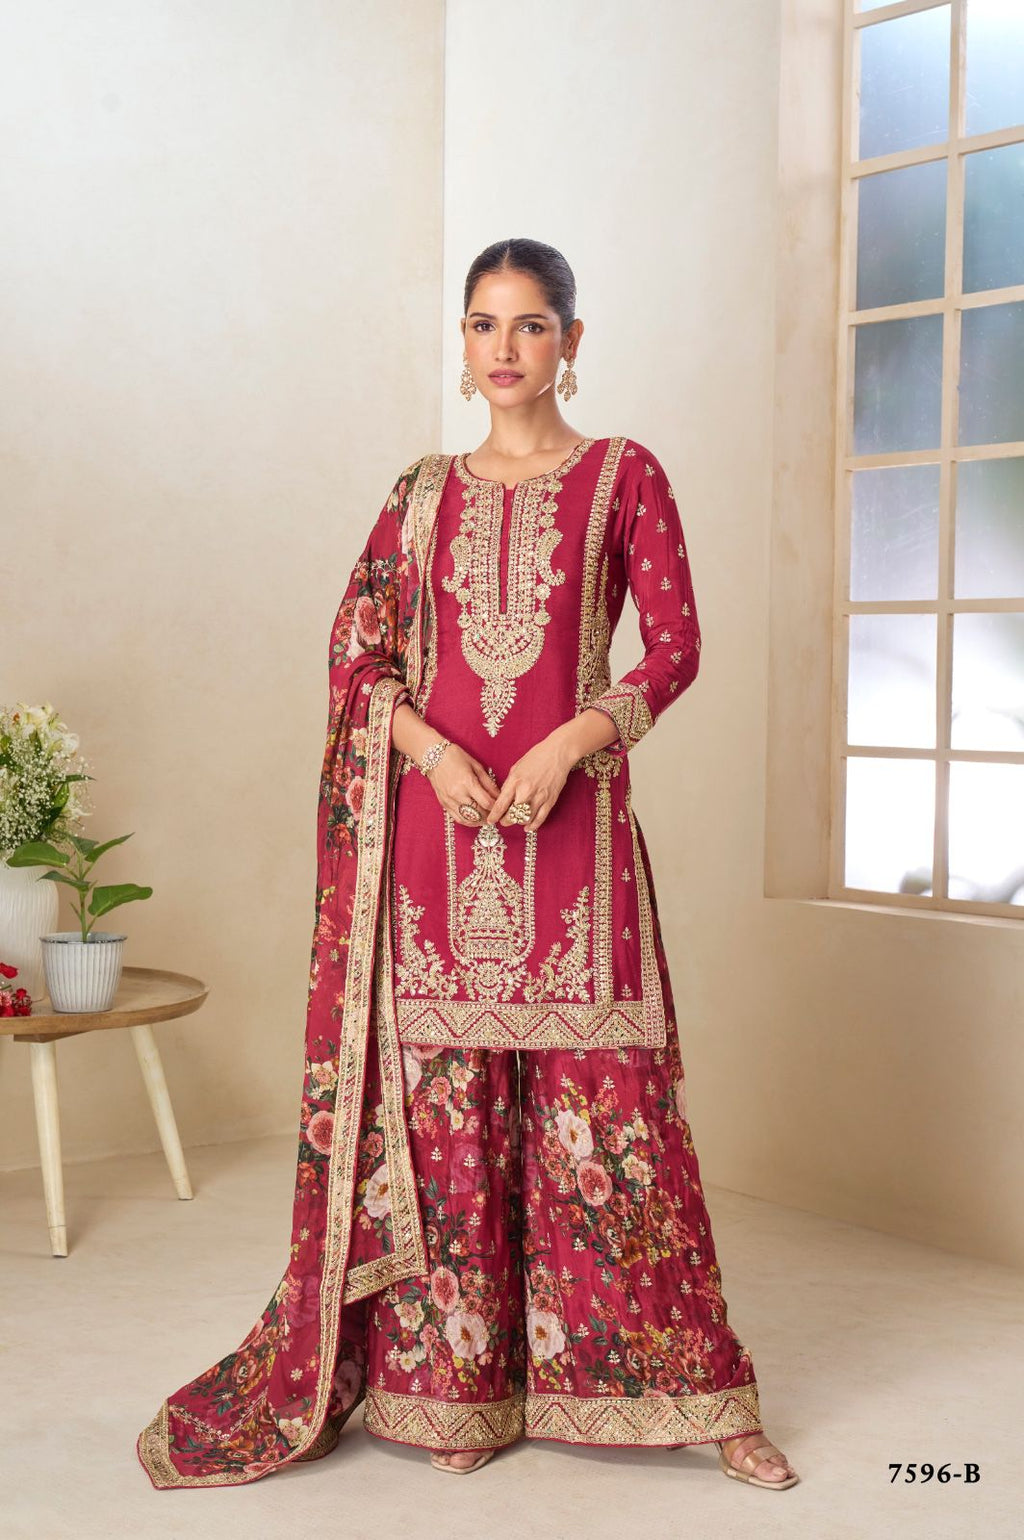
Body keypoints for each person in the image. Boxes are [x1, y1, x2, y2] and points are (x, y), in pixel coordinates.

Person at [136, 237, 799, 1494]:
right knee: (448, 1131)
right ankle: (459, 1391)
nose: (504, 350)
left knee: (617, 1131)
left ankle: (704, 1395)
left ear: (573, 340)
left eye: (532, 326)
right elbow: (356, 654)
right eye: (483, 325)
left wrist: (576, 737)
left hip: (578, 850)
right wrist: (433, 756)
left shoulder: (622, 475)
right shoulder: (421, 491)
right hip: (440, 857)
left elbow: (675, 647)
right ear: (461, 343)